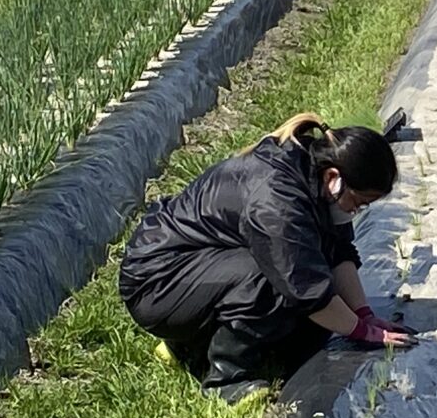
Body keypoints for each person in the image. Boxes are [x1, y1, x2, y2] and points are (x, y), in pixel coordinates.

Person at [119, 114, 416, 403]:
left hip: (197, 271)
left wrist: (364, 316)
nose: (356, 211)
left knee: (314, 324)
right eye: (358, 202)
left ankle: (188, 344)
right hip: (157, 282)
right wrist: (363, 333)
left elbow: (339, 252)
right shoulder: (277, 198)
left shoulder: (315, 179)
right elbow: (305, 288)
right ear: (334, 177)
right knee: (272, 277)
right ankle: (225, 379)